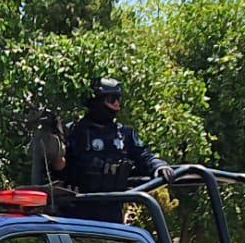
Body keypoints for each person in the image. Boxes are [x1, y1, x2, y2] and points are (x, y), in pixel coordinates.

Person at [63, 80, 172, 220]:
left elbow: (145, 156)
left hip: (112, 215)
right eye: (111, 99)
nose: (117, 104)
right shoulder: (73, 132)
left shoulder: (125, 135)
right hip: (76, 214)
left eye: (118, 99)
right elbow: (56, 167)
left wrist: (159, 166)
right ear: (96, 100)